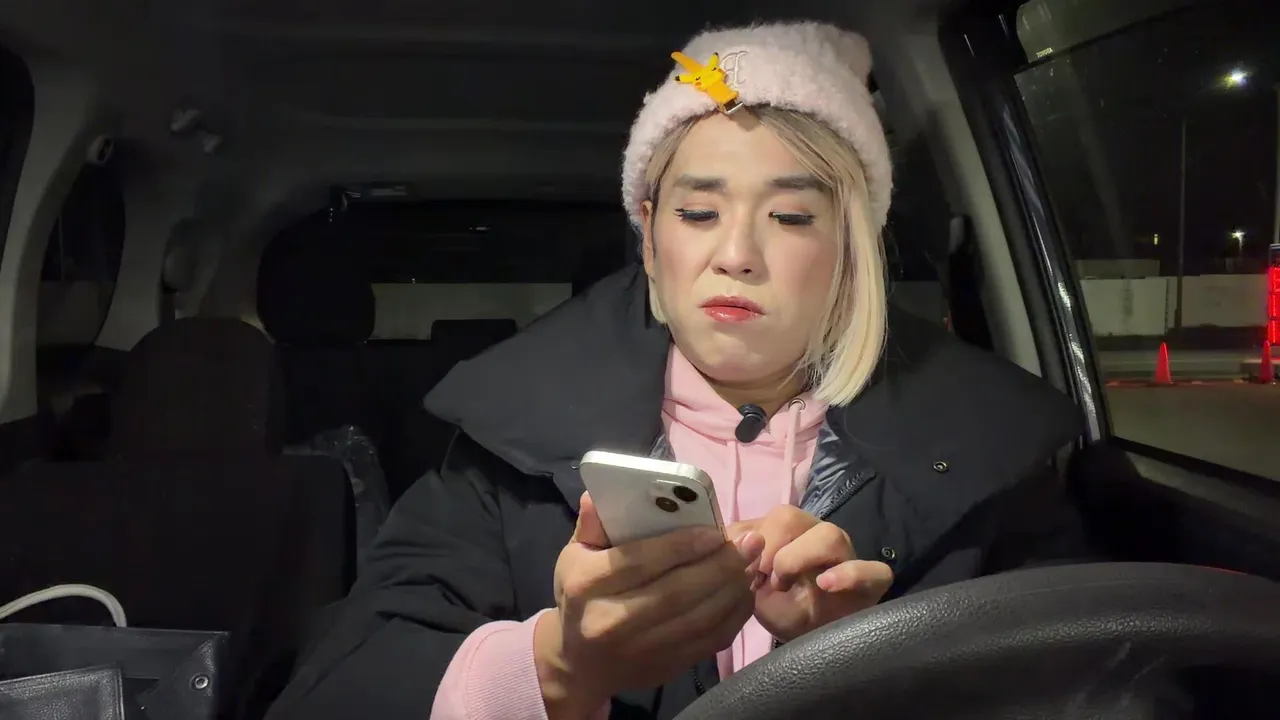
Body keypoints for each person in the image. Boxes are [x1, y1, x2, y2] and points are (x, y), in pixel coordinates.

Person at [266, 20, 1088, 720]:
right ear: (651, 237)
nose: (736, 254)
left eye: (790, 216)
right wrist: (559, 665)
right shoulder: (508, 446)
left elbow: (1091, 685)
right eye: (699, 212)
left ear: (851, 249)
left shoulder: (992, 458)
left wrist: (869, 665)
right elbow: (337, 691)